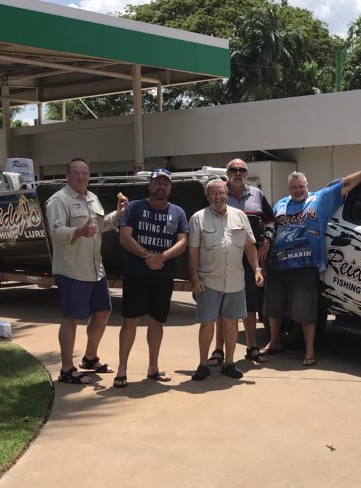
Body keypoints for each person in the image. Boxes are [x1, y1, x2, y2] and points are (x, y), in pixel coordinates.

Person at [260, 164, 361, 366]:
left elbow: (346, 183)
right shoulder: (280, 205)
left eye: (301, 186)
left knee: (306, 310)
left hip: (305, 264)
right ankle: (275, 341)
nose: (298, 190)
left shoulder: (320, 198)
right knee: (273, 307)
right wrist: (265, 259)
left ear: (307, 186)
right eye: (294, 187)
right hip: (278, 264)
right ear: (288, 189)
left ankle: (309, 351)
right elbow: (271, 230)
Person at [46, 158, 124, 384]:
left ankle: (90, 358)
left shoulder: (93, 198)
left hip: (95, 269)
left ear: (89, 176)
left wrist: (116, 216)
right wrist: (79, 231)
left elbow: (100, 227)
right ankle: (67, 369)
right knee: (72, 319)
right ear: (68, 176)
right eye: (76, 173)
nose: (81, 176)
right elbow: (56, 231)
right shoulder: (58, 200)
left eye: (84, 173)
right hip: (72, 270)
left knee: (103, 312)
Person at [114, 169, 189, 388]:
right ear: (150, 185)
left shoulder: (178, 212)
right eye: (157, 183)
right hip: (136, 274)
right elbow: (124, 237)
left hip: (163, 276)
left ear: (170, 188)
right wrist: (148, 256)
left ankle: (153, 368)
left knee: (157, 322)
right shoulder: (135, 207)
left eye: (165, 184)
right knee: (130, 321)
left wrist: (162, 257)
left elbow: (183, 241)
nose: (161, 187)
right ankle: (122, 370)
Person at [188, 179, 264, 381]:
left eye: (221, 193)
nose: (218, 197)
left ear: (227, 194)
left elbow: (249, 246)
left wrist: (257, 268)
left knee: (231, 323)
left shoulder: (240, 216)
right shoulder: (198, 218)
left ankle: (229, 363)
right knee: (207, 324)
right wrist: (194, 278)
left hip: (235, 281)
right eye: (213, 193)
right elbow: (193, 251)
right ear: (207, 196)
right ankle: (203, 364)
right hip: (208, 281)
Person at [207, 158, 274, 367]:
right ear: (227, 173)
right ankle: (219, 350)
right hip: (222, 259)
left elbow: (270, 221)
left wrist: (266, 242)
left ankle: (252, 347)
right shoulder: (218, 193)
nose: (238, 173)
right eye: (234, 170)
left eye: (242, 170)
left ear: (246, 173)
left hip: (249, 258)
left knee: (250, 306)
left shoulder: (257, 195)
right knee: (221, 307)